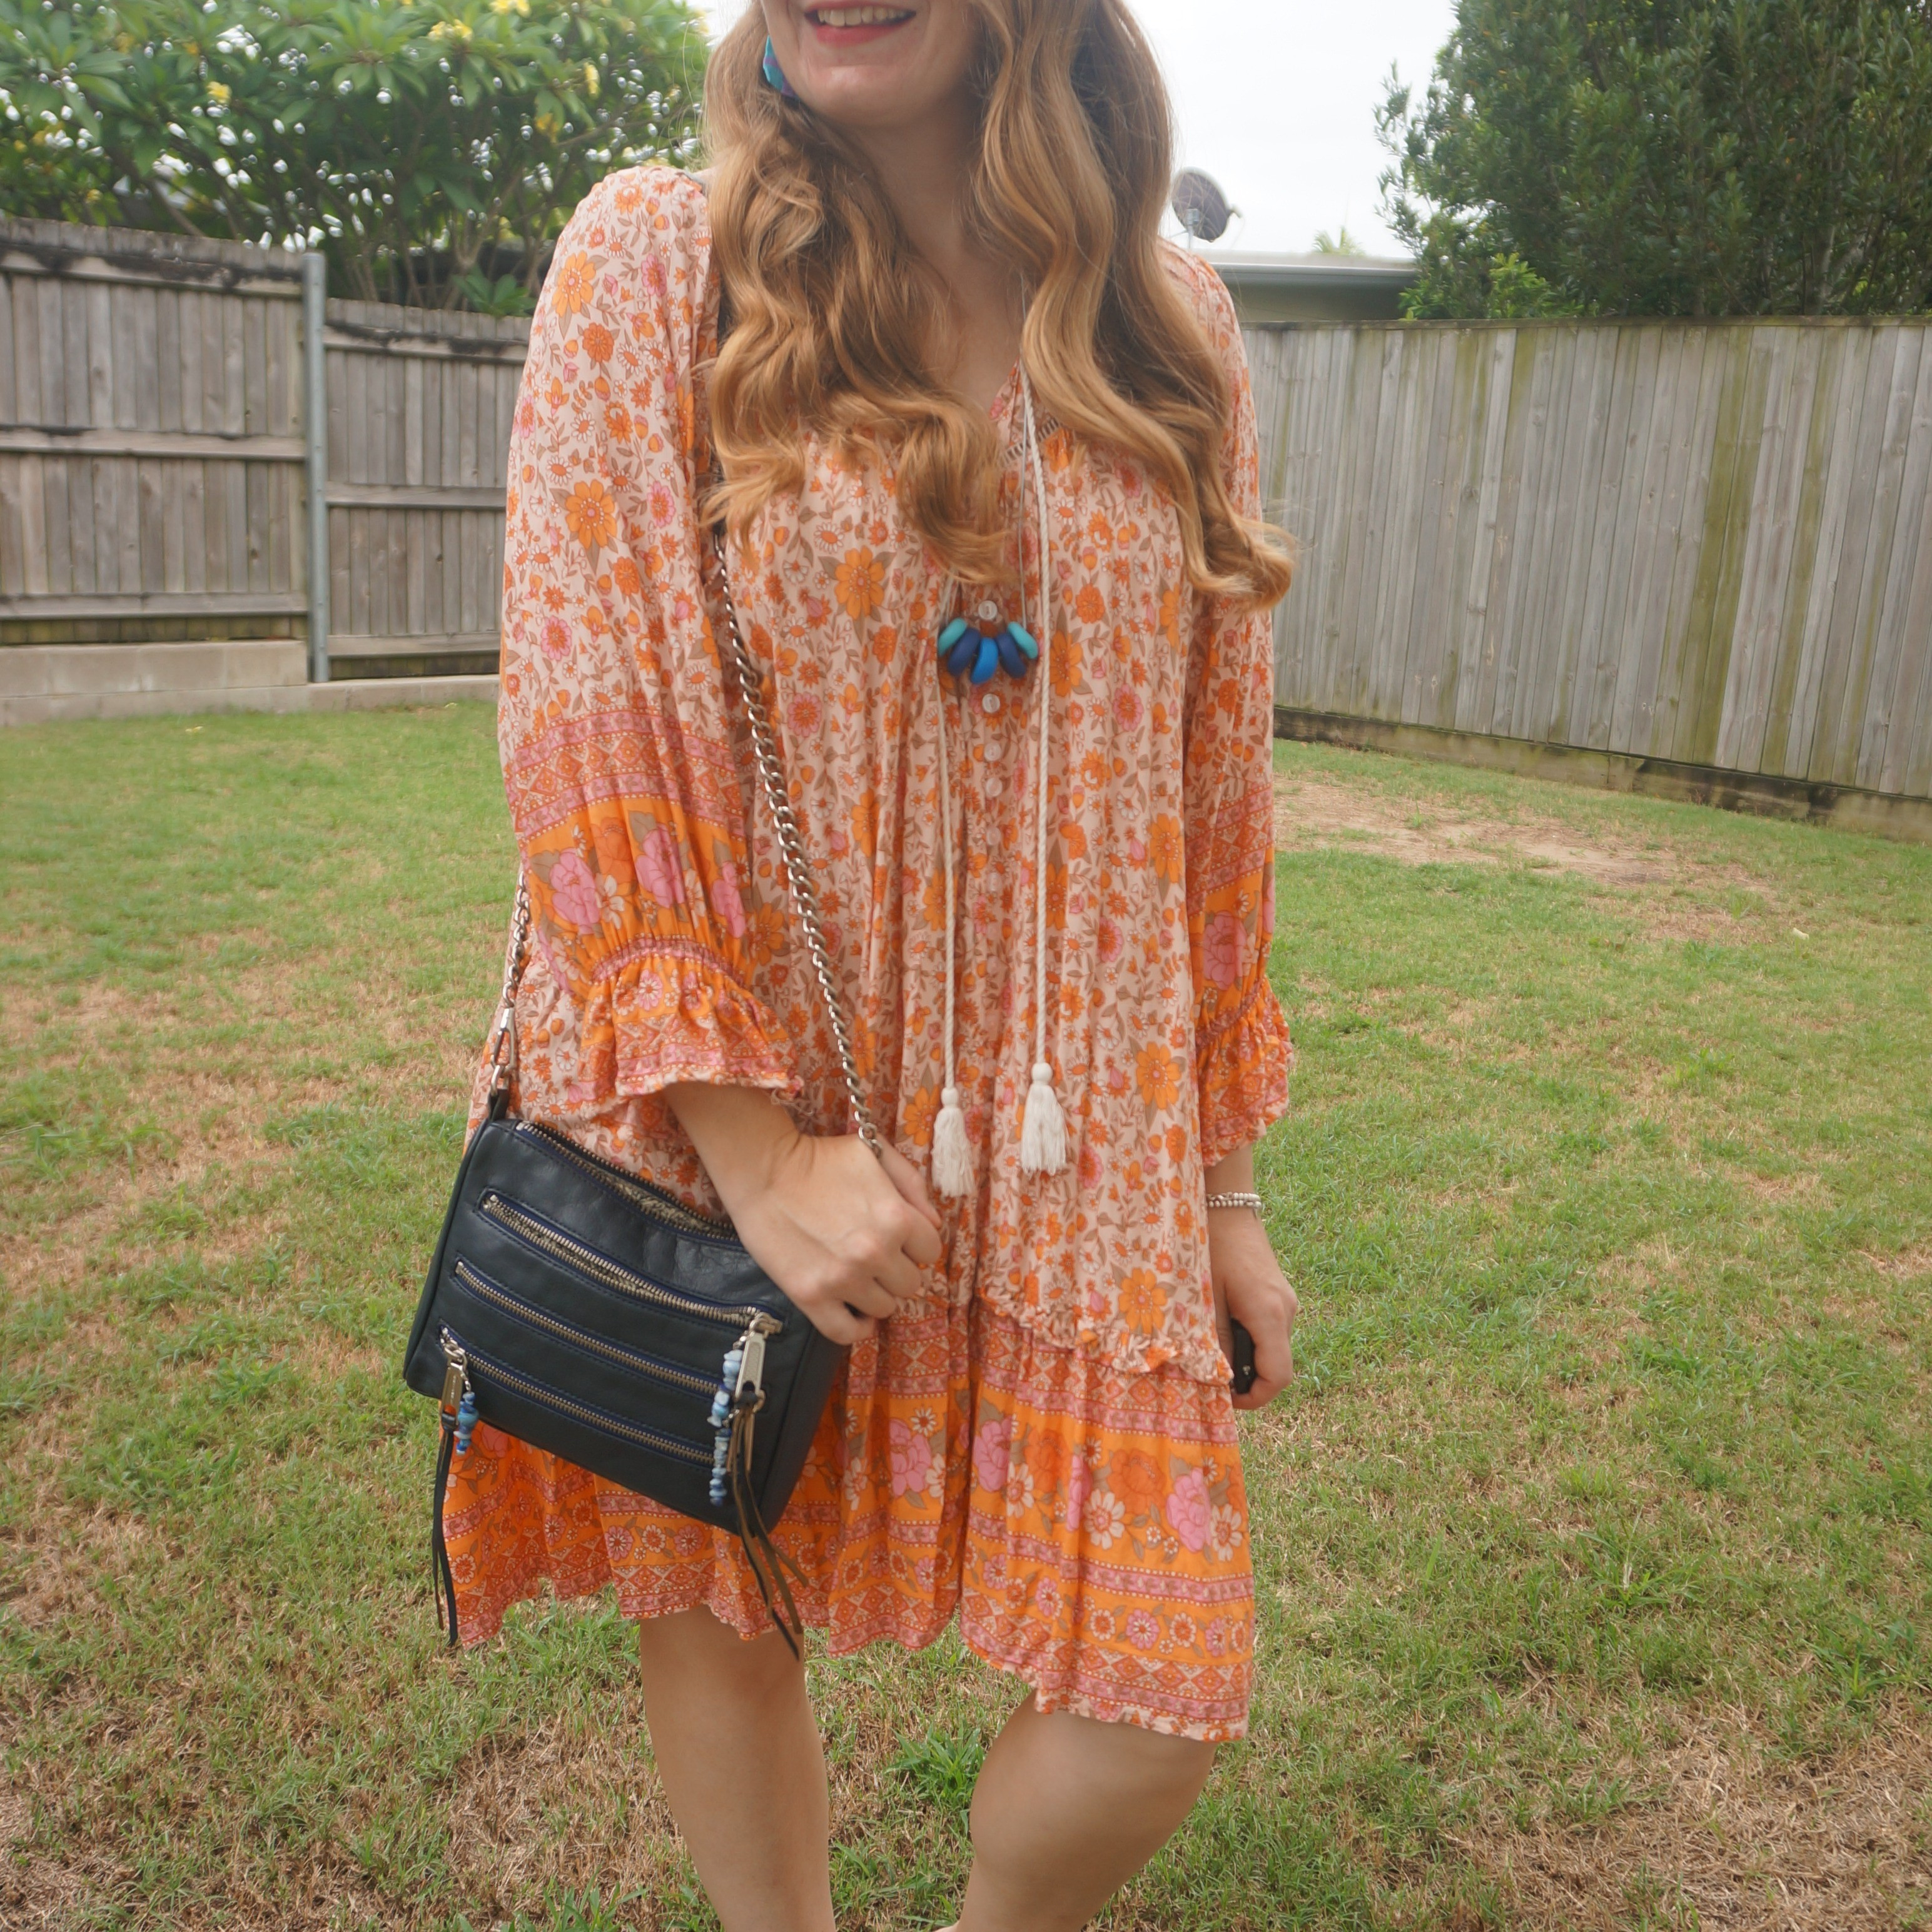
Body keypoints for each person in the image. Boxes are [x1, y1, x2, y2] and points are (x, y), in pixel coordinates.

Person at [438, 3, 1300, 1926]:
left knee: (1158, 1689)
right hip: (742, 1075)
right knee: (717, 1566)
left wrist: (1226, 1191)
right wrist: (755, 1157)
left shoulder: (1170, 328)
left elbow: (1210, 787)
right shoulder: (660, 262)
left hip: (1068, 1111)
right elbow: (594, 705)